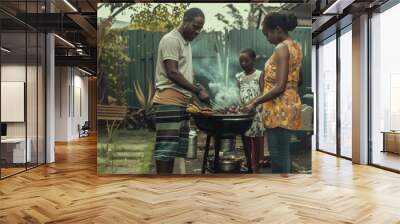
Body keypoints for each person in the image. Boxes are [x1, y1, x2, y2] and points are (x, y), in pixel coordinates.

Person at [152, 8, 210, 174]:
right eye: (195, 26)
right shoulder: (171, 40)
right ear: (185, 21)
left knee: (173, 151)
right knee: (165, 150)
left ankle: (168, 184)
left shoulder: (186, 43)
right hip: (168, 101)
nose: (197, 31)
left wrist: (197, 86)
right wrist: (198, 91)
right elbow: (172, 72)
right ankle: (163, 188)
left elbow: (183, 74)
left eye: (200, 28)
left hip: (180, 103)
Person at [244, 13, 302, 174]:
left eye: (267, 33)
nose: (267, 38)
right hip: (288, 106)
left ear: (277, 29)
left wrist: (254, 102)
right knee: (283, 155)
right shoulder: (295, 46)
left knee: (278, 158)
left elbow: (280, 86)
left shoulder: (281, 48)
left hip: (279, 110)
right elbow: (298, 79)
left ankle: (281, 195)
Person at [235, 48, 265, 173]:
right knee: (245, 138)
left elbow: (264, 92)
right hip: (243, 113)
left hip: (256, 112)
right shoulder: (239, 76)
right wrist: (236, 105)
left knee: (256, 139)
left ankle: (256, 166)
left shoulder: (259, 74)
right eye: (241, 61)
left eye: (246, 61)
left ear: (253, 60)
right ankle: (249, 164)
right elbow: (236, 93)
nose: (243, 64)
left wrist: (251, 103)